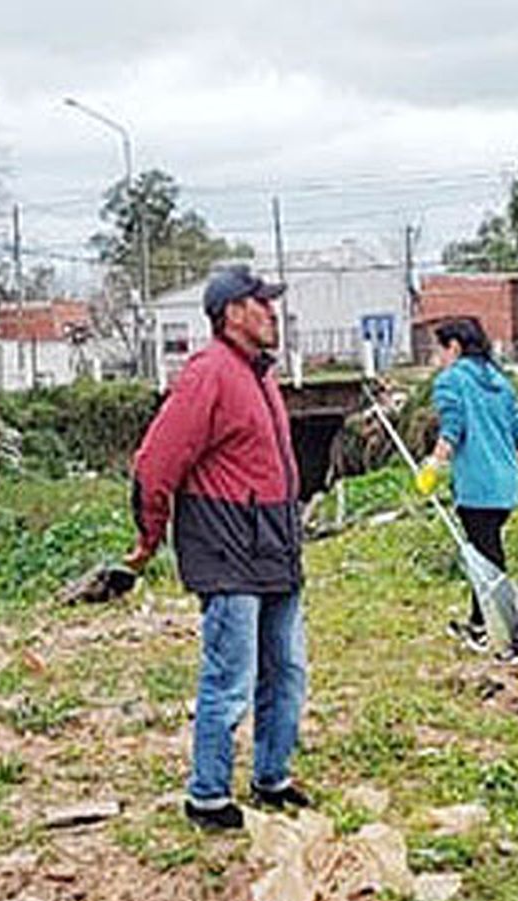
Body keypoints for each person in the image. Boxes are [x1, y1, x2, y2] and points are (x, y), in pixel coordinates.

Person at [128, 265, 311, 831]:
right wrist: (149, 536)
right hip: (228, 551)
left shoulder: (260, 376)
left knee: (286, 671)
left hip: (274, 548)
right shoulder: (209, 373)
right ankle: (207, 795)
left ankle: (271, 776)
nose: (273, 313)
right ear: (233, 313)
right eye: (263, 304)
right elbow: (156, 462)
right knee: (229, 679)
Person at [415, 316, 518, 652]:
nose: (437, 358)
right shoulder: (499, 381)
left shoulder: (451, 381)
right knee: (484, 550)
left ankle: (498, 628)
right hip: (506, 484)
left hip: (476, 485)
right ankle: (479, 622)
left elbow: (452, 428)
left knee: (486, 556)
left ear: (453, 347)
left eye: (438, 350)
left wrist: (433, 466)